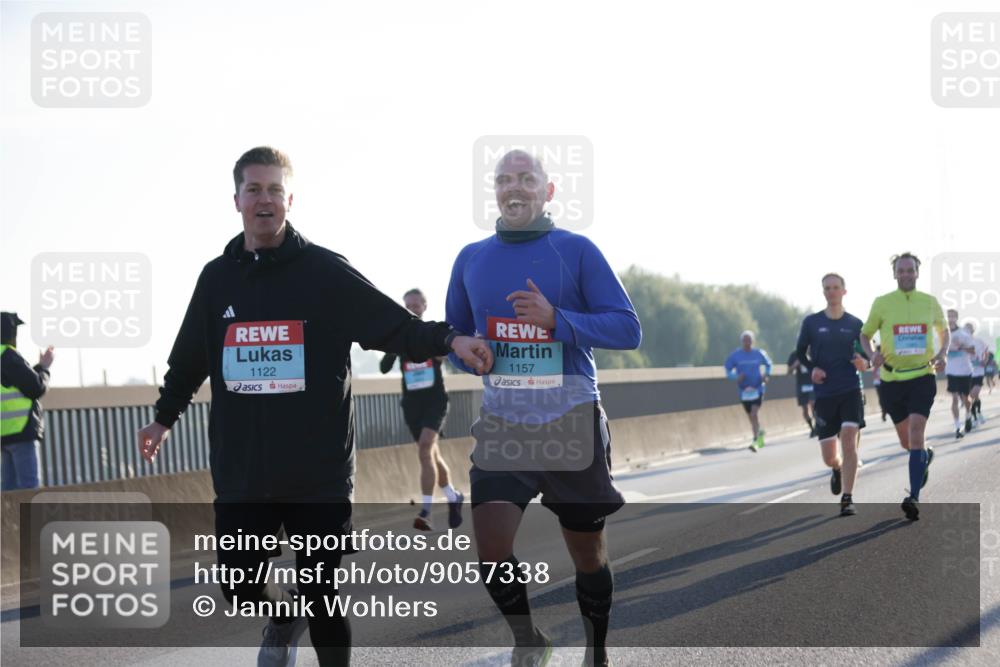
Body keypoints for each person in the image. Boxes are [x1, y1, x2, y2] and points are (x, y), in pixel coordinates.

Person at [136, 147, 493, 667]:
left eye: (275, 190)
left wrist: (451, 339)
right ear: (236, 200)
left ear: (290, 199)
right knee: (239, 587)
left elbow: (393, 326)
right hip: (243, 470)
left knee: (324, 595)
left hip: (317, 470)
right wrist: (163, 419)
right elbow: (190, 360)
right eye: (254, 190)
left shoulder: (323, 272)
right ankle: (283, 617)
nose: (264, 200)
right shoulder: (216, 280)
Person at [446, 149, 641, 667]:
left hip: (570, 420)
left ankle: (596, 651)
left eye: (526, 179)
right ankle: (528, 640)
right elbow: (456, 338)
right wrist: (472, 354)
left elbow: (627, 327)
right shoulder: (470, 257)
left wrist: (558, 319)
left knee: (587, 553)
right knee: (489, 550)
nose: (515, 187)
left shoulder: (574, 250)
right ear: (494, 191)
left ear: (548, 191)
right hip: (504, 422)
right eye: (505, 179)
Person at [860, 252, 949, 521]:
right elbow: (865, 335)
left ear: (917, 273)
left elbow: (944, 331)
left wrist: (942, 352)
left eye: (911, 270)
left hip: (922, 376)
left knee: (916, 431)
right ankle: (923, 456)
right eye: (902, 270)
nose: (906, 274)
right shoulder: (882, 303)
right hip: (891, 380)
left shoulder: (929, 302)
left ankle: (913, 497)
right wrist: (871, 354)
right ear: (895, 274)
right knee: (907, 442)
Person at [379, 288, 464, 531]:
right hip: (412, 404)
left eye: (416, 305)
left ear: (424, 306)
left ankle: (426, 511)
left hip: (434, 401)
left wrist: (438, 353)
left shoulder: (430, 334)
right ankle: (452, 495)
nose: (412, 309)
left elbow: (446, 355)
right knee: (431, 454)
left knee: (426, 449)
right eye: (408, 305)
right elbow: (384, 368)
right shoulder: (401, 338)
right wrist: (394, 346)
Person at [795, 274, 868, 517]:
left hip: (851, 390)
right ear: (823, 292)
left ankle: (847, 498)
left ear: (844, 292)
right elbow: (800, 353)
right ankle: (837, 468)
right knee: (829, 457)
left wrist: (863, 363)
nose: (831, 292)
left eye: (836, 287)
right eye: (827, 288)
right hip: (825, 394)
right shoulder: (812, 323)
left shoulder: (856, 324)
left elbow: (869, 354)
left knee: (848, 439)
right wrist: (812, 368)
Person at [1, 312, 54, 491]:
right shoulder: (8, 356)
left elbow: (17, 381)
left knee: (8, 492)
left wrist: (38, 368)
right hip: (21, 430)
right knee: (29, 490)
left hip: (4, 434)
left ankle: (10, 520)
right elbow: (36, 387)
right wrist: (45, 368)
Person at [724, 331, 772, 451]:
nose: (747, 342)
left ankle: (755, 440)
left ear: (753, 341)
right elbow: (727, 369)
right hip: (744, 390)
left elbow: (769, 364)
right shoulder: (735, 355)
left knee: (754, 413)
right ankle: (759, 433)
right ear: (742, 342)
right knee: (751, 416)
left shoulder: (759, 353)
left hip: (758, 388)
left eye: (749, 340)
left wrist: (766, 375)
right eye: (745, 340)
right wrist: (735, 377)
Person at [944, 309, 976, 438]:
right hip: (951, 370)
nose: (950, 318)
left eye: (953, 316)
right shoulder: (943, 333)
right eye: (948, 316)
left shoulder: (963, 333)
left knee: (966, 399)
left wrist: (960, 347)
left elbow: (973, 350)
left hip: (964, 370)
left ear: (956, 318)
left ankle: (968, 414)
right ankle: (958, 427)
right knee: (954, 398)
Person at [787, 350, 816, 437]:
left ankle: (817, 426)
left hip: (812, 383)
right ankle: (812, 428)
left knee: (813, 404)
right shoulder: (794, 355)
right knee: (805, 410)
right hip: (802, 385)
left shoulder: (813, 352)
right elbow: (789, 371)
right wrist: (796, 364)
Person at [964, 322, 987, 426]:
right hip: (968, 372)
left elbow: (986, 352)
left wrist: (985, 361)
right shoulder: (963, 343)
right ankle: (976, 415)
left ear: (973, 330)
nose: (968, 330)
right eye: (966, 329)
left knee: (974, 394)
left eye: (970, 328)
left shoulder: (979, 341)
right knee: (973, 396)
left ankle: (977, 414)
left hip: (979, 371)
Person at [872, 345, 888, 422]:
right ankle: (884, 411)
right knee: (882, 398)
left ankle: (886, 409)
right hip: (878, 381)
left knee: (886, 397)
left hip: (887, 379)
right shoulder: (875, 356)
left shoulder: (886, 354)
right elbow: (873, 367)